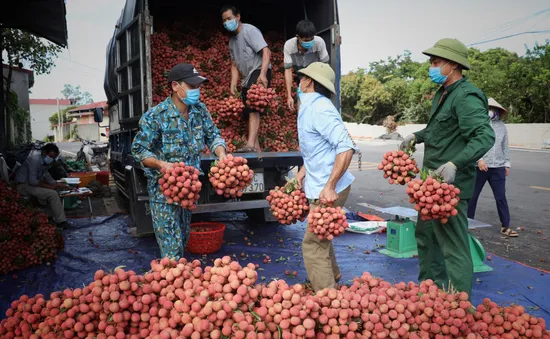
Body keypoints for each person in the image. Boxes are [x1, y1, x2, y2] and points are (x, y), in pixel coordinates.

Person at [400, 38, 495, 297]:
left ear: (453, 65)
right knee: (427, 240)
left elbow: (484, 136)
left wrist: (455, 163)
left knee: (453, 245)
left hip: (450, 188)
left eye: (436, 62)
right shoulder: (443, 95)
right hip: (429, 186)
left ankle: (457, 304)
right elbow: (437, 130)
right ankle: (431, 294)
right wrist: (417, 136)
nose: (431, 66)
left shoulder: (466, 96)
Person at [132, 64, 227, 260]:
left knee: (183, 237)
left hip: (189, 189)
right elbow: (139, 150)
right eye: (192, 86)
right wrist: (161, 165)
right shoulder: (156, 116)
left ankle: (177, 276)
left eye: (198, 87)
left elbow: (213, 136)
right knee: (170, 245)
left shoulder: (199, 111)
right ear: (175, 86)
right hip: (164, 190)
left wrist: (221, 153)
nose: (196, 91)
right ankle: (171, 279)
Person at [294, 62, 357, 292]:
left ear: (309, 81)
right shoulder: (308, 107)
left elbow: (346, 146)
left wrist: (330, 185)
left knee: (312, 244)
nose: (298, 82)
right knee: (321, 234)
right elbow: (317, 146)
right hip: (318, 184)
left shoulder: (320, 109)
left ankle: (327, 297)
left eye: (301, 78)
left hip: (330, 189)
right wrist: (304, 169)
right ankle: (334, 275)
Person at [221, 5, 272, 153]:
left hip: (258, 71)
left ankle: (250, 144)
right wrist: (233, 84)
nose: (226, 22)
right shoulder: (232, 42)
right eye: (224, 20)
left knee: (253, 107)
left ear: (238, 17)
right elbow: (234, 65)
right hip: (246, 77)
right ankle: (256, 148)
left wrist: (263, 74)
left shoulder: (249, 31)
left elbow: (266, 51)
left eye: (229, 18)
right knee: (246, 112)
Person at [468, 98, 517, 237]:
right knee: (472, 196)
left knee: (501, 197)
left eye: (494, 109)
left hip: (498, 168)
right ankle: (467, 222)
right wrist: (479, 159)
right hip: (481, 167)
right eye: (488, 108)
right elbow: (473, 142)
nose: (491, 111)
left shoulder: (502, 126)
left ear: (498, 111)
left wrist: (506, 163)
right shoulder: (479, 125)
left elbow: (505, 146)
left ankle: (505, 226)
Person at [15, 143, 73, 230]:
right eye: (51, 156)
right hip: (23, 186)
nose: (52, 159)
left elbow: (46, 175)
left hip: (31, 185)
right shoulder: (34, 159)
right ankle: (61, 222)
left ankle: (50, 218)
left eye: (54, 158)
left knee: (55, 192)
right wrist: (50, 187)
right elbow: (33, 181)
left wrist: (58, 184)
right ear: (44, 153)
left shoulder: (44, 160)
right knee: (52, 194)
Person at [283, 19, 330, 111]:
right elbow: (288, 70)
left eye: (311, 39)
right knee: (303, 106)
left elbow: (325, 66)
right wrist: (289, 96)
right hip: (300, 77)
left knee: (317, 107)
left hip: (316, 77)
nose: (309, 42)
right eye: (306, 40)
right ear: (298, 37)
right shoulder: (289, 46)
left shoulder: (319, 42)